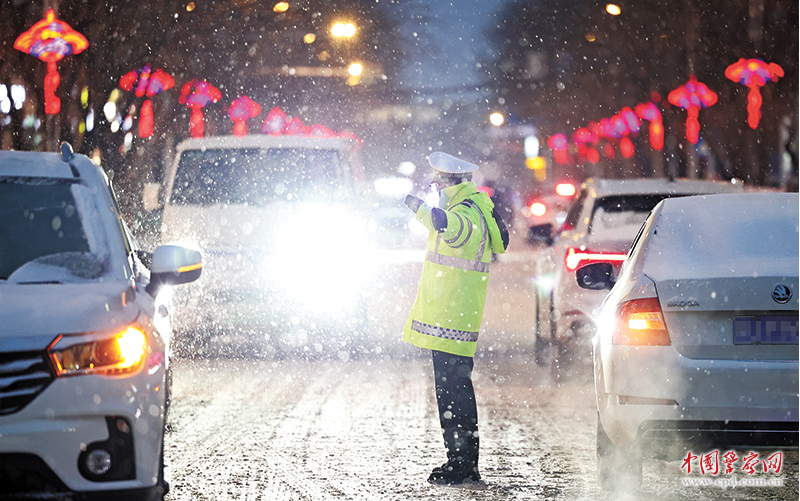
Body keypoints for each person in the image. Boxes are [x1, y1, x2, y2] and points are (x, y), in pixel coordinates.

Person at [402, 151, 509, 487]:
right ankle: (460, 460)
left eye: (438, 182)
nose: (435, 187)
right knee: (452, 390)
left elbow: (452, 229)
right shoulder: (476, 207)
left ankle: (462, 464)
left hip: (453, 317)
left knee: (453, 393)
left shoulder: (465, 211)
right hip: (453, 316)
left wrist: (419, 208)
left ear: (449, 183)